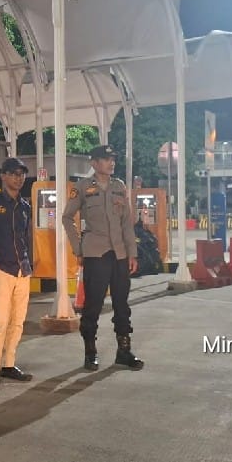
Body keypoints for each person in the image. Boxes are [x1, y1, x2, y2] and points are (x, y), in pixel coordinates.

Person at [61, 145, 144, 372]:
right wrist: (78, 247)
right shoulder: (82, 187)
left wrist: (132, 253)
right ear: (94, 163)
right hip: (96, 254)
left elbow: (126, 223)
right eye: (106, 159)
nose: (111, 162)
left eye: (113, 159)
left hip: (119, 254)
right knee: (93, 306)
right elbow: (67, 217)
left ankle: (124, 352)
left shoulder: (119, 187)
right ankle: (90, 353)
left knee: (121, 305)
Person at [0, 157, 35, 390]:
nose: (18, 178)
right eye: (13, 174)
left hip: (23, 270)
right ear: (3, 176)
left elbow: (26, 237)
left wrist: (30, 264)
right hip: (2, 269)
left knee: (17, 322)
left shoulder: (25, 206)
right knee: (0, 321)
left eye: (21, 174)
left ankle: (9, 365)